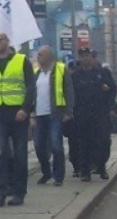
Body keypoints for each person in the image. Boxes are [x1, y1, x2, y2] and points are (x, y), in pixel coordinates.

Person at [0, 33, 34, 207]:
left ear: (7, 41)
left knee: (20, 155)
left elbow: (30, 87)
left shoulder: (22, 60)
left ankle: (19, 192)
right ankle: (0, 191)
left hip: (18, 114)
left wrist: (25, 109)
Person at [32, 46, 74, 186]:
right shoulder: (36, 73)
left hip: (55, 114)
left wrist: (68, 111)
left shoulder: (60, 69)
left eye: (40, 55)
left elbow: (69, 91)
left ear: (49, 56)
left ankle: (58, 176)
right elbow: (31, 94)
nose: (38, 57)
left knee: (56, 145)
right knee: (38, 145)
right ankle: (46, 172)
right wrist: (31, 114)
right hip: (39, 115)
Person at [71, 47, 113, 181]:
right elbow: (71, 95)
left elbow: (112, 90)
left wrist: (110, 106)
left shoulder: (102, 73)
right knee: (84, 143)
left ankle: (101, 167)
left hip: (100, 113)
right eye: (82, 56)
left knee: (103, 141)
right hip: (83, 114)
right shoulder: (75, 76)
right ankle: (85, 172)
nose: (85, 58)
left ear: (91, 57)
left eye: (87, 55)